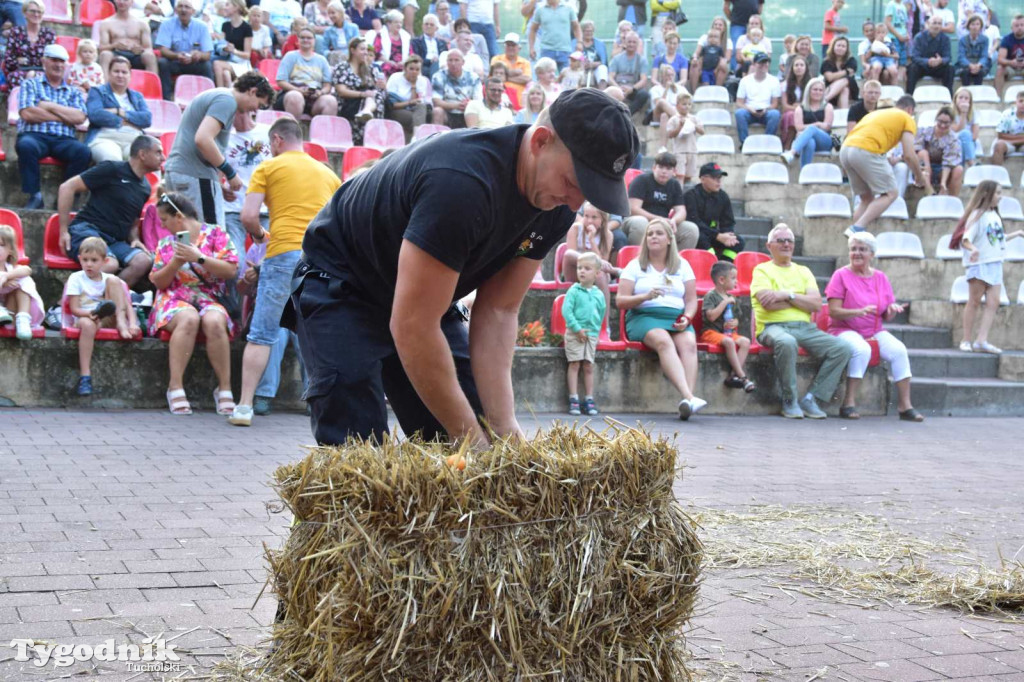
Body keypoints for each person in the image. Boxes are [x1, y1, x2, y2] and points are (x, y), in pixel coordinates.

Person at [286, 88, 639, 445]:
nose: (576, 202)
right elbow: (412, 326)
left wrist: (503, 429)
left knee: (480, 426)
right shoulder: (460, 182)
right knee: (358, 441)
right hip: (343, 282)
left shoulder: (555, 203)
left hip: (423, 296)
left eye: (589, 191)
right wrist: (468, 439)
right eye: (573, 182)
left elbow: (499, 311)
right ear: (541, 142)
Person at [229, 118, 341, 427]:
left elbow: (249, 216)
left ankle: (244, 407)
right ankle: (325, 408)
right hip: (320, 258)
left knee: (262, 334)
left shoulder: (268, 168)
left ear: (277, 140)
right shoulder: (328, 173)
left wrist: (262, 237)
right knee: (317, 334)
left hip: (283, 254)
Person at [148, 192, 239, 416]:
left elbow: (230, 270)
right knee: (188, 318)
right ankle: (175, 386)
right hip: (173, 297)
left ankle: (225, 388)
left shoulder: (216, 234)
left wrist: (199, 257)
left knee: (215, 321)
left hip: (208, 297)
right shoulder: (167, 244)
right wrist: (176, 262)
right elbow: (158, 281)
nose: (162, 225)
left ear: (178, 217)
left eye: (165, 220)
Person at [751, 224, 852, 419]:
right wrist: (799, 302)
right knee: (787, 342)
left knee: (842, 348)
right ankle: (789, 400)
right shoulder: (761, 270)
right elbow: (767, 304)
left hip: (805, 328)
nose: (786, 244)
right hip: (772, 327)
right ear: (769, 245)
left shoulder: (803, 271)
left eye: (789, 240)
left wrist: (785, 295)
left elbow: (815, 304)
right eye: (780, 240)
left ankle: (812, 398)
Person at [825, 231, 921, 421]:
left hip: (874, 330)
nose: (857, 253)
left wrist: (891, 310)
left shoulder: (881, 278)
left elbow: (885, 313)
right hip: (843, 329)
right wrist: (857, 312)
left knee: (899, 350)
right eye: (853, 249)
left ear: (872, 254)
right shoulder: (840, 275)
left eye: (862, 249)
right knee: (862, 349)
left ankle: (905, 406)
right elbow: (833, 311)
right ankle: (848, 403)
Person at [616, 219, 707, 420]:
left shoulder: (682, 265)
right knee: (664, 341)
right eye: (650, 234)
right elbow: (621, 301)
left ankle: (687, 402)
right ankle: (689, 396)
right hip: (644, 316)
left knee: (689, 344)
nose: (653, 237)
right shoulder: (635, 265)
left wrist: (687, 317)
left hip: (676, 318)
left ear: (669, 239)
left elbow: (691, 301)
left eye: (658, 233)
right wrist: (644, 297)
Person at [163, 72, 275, 228]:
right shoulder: (227, 100)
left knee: (187, 237)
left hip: (179, 173)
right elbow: (203, 139)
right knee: (212, 237)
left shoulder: (218, 95)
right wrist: (229, 173)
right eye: (259, 105)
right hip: (195, 174)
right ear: (253, 91)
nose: (255, 111)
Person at [58, 136, 163, 288]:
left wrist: (135, 238)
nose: (163, 157)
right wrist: (63, 230)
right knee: (110, 264)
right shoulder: (112, 169)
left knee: (143, 261)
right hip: (87, 230)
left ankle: (106, 303)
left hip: (114, 241)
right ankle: (65, 304)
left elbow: (133, 219)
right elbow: (67, 187)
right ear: (142, 154)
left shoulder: (146, 187)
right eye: (158, 152)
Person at [14, 44, 91, 211]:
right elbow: (27, 114)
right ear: (44, 61)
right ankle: (35, 196)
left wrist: (47, 106)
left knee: (83, 152)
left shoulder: (74, 91)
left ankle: (66, 199)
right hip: (34, 135)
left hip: (63, 139)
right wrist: (64, 116)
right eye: (54, 60)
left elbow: (79, 117)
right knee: (25, 145)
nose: (58, 65)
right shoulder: (30, 84)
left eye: (62, 61)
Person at [64, 236, 140, 395]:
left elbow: (126, 303)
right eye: (85, 260)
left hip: (110, 316)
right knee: (87, 324)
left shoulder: (109, 279)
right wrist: (91, 314)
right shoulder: (76, 278)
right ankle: (85, 376)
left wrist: (133, 323)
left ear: (104, 261)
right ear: (79, 259)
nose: (89, 264)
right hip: (86, 316)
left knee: (114, 281)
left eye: (94, 260)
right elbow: (74, 309)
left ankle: (121, 322)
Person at [955, 180, 1024, 355]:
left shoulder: (994, 215)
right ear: (987, 194)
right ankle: (966, 340)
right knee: (974, 302)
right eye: (998, 193)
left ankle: (981, 340)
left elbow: (996, 238)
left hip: (995, 263)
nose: (1000, 197)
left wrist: (1016, 234)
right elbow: (966, 239)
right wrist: (973, 249)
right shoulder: (977, 215)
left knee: (993, 303)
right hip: (979, 264)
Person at [841, 95, 925, 235]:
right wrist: (919, 176)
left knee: (866, 199)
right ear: (910, 109)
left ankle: (855, 236)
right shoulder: (906, 118)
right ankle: (857, 228)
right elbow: (909, 154)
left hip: (846, 150)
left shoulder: (876, 113)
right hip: (866, 150)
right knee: (891, 193)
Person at [221, 109, 271, 272]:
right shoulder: (224, 137)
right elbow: (214, 174)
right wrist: (221, 187)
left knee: (271, 259)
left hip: (265, 208)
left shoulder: (267, 132)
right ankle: (234, 298)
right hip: (234, 208)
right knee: (234, 260)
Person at [622, 152, 698, 249]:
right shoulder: (641, 180)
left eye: (668, 169)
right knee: (640, 223)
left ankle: (674, 261)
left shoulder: (674, 185)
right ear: (654, 167)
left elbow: (681, 210)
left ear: (674, 171)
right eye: (661, 167)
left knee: (691, 229)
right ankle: (638, 260)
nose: (664, 171)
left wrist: (674, 220)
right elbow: (633, 209)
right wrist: (658, 219)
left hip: (663, 223)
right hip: (637, 220)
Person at [85, 56, 153, 163]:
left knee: (147, 160)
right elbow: (95, 115)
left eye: (124, 72)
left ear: (130, 75)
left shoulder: (137, 96)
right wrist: (123, 121)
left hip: (133, 140)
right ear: (109, 73)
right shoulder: (97, 91)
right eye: (116, 71)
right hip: (106, 138)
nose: (120, 75)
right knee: (113, 161)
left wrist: (121, 112)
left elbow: (147, 119)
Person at [563, 252, 606, 417]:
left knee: (588, 366)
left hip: (591, 335)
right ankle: (573, 398)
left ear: (597, 273)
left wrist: (595, 333)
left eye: (587, 268)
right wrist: (577, 329)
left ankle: (589, 398)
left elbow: (600, 315)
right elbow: (567, 311)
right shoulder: (574, 291)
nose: (581, 271)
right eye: (580, 268)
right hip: (575, 333)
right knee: (574, 364)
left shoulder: (599, 295)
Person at [701, 261, 755, 392]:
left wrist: (735, 323)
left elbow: (736, 319)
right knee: (729, 342)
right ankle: (742, 377)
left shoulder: (732, 297)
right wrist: (724, 302)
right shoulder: (711, 296)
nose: (736, 282)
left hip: (728, 333)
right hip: (710, 332)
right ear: (721, 280)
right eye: (733, 278)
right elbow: (711, 316)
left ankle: (733, 376)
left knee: (745, 341)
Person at [560, 201, 618, 311]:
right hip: (575, 270)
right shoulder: (575, 228)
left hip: (594, 274)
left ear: (602, 221)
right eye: (586, 216)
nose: (589, 221)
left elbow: (602, 263)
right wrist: (591, 261)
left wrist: (591, 241)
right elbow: (571, 256)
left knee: (601, 275)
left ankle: (604, 323)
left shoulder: (608, 235)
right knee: (569, 254)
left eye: (594, 217)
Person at [155, 0, 214, 100]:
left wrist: (198, 55)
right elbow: (163, 50)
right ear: (175, 10)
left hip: (194, 62)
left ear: (193, 11)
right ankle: (166, 99)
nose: (183, 10)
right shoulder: (166, 24)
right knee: (162, 63)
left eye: (187, 7)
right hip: (175, 61)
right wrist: (176, 55)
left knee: (207, 65)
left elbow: (207, 54)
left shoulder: (202, 26)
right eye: (180, 6)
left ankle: (209, 99)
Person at [274, 27, 337, 119]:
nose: (305, 40)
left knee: (331, 101)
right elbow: (281, 81)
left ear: (314, 40)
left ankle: (323, 132)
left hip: (314, 96)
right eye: (302, 38)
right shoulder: (290, 56)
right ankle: (292, 131)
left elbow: (327, 85)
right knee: (295, 96)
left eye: (309, 38)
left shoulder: (322, 60)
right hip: (291, 92)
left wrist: (320, 92)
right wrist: (298, 90)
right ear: (298, 40)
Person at [684, 162, 743, 260]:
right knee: (701, 238)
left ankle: (724, 265)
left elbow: (728, 222)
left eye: (720, 178)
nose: (718, 181)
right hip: (700, 234)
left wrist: (728, 236)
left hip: (716, 234)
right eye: (714, 178)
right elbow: (694, 222)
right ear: (703, 179)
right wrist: (717, 235)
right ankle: (712, 262)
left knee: (738, 241)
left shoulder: (723, 196)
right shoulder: (691, 195)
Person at [0, 225, 45, 342]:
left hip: (9, 316)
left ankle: (23, 318)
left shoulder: (10, 269)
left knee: (24, 280)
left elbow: (27, 270)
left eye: (1, 245)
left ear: (10, 250)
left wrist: (5, 276)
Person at [781, 77, 835, 168]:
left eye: (820, 90)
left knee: (811, 129)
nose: (818, 92)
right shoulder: (800, 108)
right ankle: (804, 172)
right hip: (806, 140)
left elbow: (827, 127)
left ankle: (792, 152)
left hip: (825, 140)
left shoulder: (828, 106)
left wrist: (814, 126)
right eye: (815, 89)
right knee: (809, 141)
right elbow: (798, 127)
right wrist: (818, 124)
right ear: (809, 91)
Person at [1, 0, 53, 89]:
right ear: (24, 13)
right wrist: (35, 61)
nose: (36, 14)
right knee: (15, 79)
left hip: (41, 72)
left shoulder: (48, 34)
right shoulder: (15, 32)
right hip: (19, 73)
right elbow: (9, 61)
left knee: (40, 79)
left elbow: (51, 61)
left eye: (39, 12)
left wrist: (26, 64)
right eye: (32, 11)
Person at [98, 0, 158, 75]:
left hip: (136, 55)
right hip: (115, 53)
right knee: (105, 55)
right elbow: (101, 48)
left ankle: (152, 84)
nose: (122, 2)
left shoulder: (142, 24)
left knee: (149, 56)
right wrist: (115, 45)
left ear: (132, 2)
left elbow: (148, 48)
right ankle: (104, 85)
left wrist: (140, 49)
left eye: (126, 0)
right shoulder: (106, 23)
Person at [914, 105, 963, 196]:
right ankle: (929, 189)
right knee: (923, 153)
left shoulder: (953, 139)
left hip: (942, 169)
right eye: (940, 121)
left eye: (946, 122)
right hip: (923, 167)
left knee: (959, 169)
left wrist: (943, 183)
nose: (943, 125)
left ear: (951, 122)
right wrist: (927, 167)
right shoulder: (925, 132)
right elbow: (916, 150)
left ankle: (952, 198)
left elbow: (948, 163)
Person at [735, 52, 782, 145]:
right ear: (754, 64)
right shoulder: (745, 80)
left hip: (766, 111)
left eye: (766, 62)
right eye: (761, 63)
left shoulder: (774, 80)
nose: (764, 65)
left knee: (775, 114)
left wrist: (766, 109)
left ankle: (768, 142)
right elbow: (739, 102)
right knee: (739, 113)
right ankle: (744, 143)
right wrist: (749, 109)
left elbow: (775, 103)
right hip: (749, 111)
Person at [430, 48, 481, 128]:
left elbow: (478, 100)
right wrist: (456, 106)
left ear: (463, 62)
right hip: (447, 112)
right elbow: (436, 101)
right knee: (437, 111)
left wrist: (468, 104)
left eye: (456, 60)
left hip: (467, 111)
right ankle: (437, 138)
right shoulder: (438, 76)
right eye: (450, 60)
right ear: (446, 62)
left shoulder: (473, 77)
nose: (453, 63)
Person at [386, 54, 431, 140]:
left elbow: (418, 102)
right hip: (397, 109)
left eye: (417, 70)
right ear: (405, 68)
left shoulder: (422, 80)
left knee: (421, 108)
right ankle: (418, 137)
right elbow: (392, 104)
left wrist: (413, 85)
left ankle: (415, 136)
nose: (414, 72)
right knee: (414, 118)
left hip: (414, 110)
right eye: (411, 69)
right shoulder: (395, 78)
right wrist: (409, 103)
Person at [527, 0, 580, 73]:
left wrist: (579, 42)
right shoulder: (540, 9)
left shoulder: (569, 8)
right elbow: (533, 29)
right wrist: (531, 48)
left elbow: (576, 27)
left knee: (566, 78)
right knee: (544, 78)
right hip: (546, 50)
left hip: (565, 50)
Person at [662, 91, 703, 183]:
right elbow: (670, 135)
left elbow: (702, 131)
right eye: (684, 104)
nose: (687, 106)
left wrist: (694, 126)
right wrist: (680, 126)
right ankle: (679, 195)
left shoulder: (694, 118)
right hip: (680, 151)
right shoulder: (674, 119)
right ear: (677, 105)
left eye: (689, 104)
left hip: (692, 150)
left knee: (689, 176)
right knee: (680, 175)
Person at [608, 31, 650, 120]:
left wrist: (632, 89)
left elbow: (643, 79)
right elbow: (610, 77)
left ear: (637, 44)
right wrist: (618, 88)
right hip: (618, 87)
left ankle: (626, 115)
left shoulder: (642, 60)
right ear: (625, 43)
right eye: (629, 42)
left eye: (634, 42)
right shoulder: (616, 59)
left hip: (632, 88)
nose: (631, 44)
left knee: (644, 94)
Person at [908, 14, 954, 94]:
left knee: (950, 69)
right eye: (934, 23)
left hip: (938, 67)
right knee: (912, 68)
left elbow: (948, 57)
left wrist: (940, 60)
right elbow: (914, 57)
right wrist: (927, 61)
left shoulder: (945, 39)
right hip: (923, 67)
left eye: (939, 23)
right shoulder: (919, 37)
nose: (937, 26)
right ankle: (909, 95)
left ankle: (949, 96)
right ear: (928, 24)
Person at [212, 0, 252, 87]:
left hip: (241, 64)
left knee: (217, 64)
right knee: (225, 74)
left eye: (227, 5)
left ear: (236, 7)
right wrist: (224, 48)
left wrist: (234, 51)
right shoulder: (225, 25)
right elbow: (221, 46)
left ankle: (219, 93)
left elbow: (247, 55)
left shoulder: (247, 28)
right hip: (228, 61)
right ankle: (226, 97)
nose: (224, 7)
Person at [365, 9, 411, 78]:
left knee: (411, 69)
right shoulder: (381, 35)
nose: (399, 25)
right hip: (386, 63)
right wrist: (389, 62)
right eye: (396, 22)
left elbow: (411, 54)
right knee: (387, 68)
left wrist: (404, 62)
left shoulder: (406, 36)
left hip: (402, 64)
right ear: (389, 23)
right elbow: (376, 52)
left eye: (400, 23)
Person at [780, 55, 810, 148]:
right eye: (796, 65)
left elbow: (812, 105)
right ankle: (788, 144)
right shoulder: (785, 84)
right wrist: (798, 108)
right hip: (790, 113)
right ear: (792, 68)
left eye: (801, 65)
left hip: (807, 112)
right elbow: (785, 106)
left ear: (806, 68)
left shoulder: (811, 84)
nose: (799, 67)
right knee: (791, 115)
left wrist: (799, 107)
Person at [724, 0, 764, 70]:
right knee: (735, 48)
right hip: (737, 24)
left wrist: (755, 19)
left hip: (753, 23)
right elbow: (726, 7)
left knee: (757, 46)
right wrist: (733, 19)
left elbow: (760, 5)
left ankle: (757, 69)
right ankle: (735, 72)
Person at [821, 36, 858, 107]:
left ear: (846, 49)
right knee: (844, 89)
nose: (840, 48)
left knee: (845, 80)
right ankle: (844, 115)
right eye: (838, 45)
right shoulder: (826, 62)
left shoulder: (851, 60)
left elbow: (833, 76)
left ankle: (824, 100)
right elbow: (829, 78)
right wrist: (846, 72)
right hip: (830, 90)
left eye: (843, 46)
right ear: (833, 46)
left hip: (851, 91)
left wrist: (835, 75)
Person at [689, 27, 729, 91]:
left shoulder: (719, 49)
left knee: (713, 85)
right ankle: (704, 96)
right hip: (705, 70)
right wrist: (700, 69)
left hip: (714, 71)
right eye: (710, 37)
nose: (712, 39)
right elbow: (701, 59)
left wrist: (716, 69)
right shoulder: (705, 48)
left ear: (719, 39)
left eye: (715, 37)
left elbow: (721, 59)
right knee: (705, 83)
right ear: (707, 38)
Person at [957, 13, 991, 85]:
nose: (975, 27)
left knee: (980, 72)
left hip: (979, 65)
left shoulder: (985, 39)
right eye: (972, 24)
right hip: (966, 65)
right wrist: (970, 65)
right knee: (965, 73)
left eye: (977, 24)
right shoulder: (962, 40)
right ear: (968, 26)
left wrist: (978, 65)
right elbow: (961, 57)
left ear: (981, 26)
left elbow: (984, 56)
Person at [992, 89, 1024, 164]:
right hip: (1008, 143)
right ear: (1015, 102)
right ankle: (998, 174)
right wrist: (1021, 138)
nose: (1023, 104)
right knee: (999, 145)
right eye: (1021, 101)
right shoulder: (1007, 114)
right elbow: (1000, 135)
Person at [411, 13, 448, 78]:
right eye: (426, 24)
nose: (428, 26)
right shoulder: (416, 42)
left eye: (431, 25)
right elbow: (415, 58)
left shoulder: (442, 43)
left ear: (436, 28)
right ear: (422, 26)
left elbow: (446, 57)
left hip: (440, 66)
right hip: (423, 66)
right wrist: (430, 61)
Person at [995, 14, 1024, 95]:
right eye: (1016, 25)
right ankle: (998, 97)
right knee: (1000, 69)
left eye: (1022, 25)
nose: (1019, 27)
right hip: (1011, 68)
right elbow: (1000, 59)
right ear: (1012, 28)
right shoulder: (1006, 39)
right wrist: (1011, 62)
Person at [325, 2, 360, 67]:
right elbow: (324, 49)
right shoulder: (328, 31)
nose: (330, 16)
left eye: (333, 13)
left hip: (351, 56)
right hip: (336, 58)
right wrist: (331, 54)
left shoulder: (354, 28)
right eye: (329, 13)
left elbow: (357, 45)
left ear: (341, 13)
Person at [648, 64, 683, 129]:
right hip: (658, 113)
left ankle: (663, 139)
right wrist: (666, 89)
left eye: (672, 75)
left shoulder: (680, 88)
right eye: (668, 75)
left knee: (664, 116)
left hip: (674, 112)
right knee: (662, 102)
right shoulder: (655, 89)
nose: (670, 77)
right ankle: (681, 120)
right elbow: (658, 104)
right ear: (662, 76)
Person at [884, 0, 911, 82]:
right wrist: (899, 36)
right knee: (894, 62)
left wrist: (906, 34)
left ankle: (899, 85)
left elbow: (904, 24)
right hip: (894, 38)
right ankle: (893, 84)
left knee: (903, 63)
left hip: (902, 39)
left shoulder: (903, 5)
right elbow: (887, 23)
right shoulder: (891, 5)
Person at [951, 87, 979, 166]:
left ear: (970, 101)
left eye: (966, 98)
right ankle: (972, 163)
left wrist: (966, 141)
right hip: (953, 141)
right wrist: (963, 113)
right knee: (964, 133)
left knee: (964, 139)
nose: (963, 100)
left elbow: (975, 136)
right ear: (955, 99)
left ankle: (967, 165)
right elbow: (956, 130)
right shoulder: (950, 112)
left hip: (968, 142)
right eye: (960, 97)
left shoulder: (973, 113)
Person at [579, 20, 608, 88]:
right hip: (580, 67)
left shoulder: (600, 44)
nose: (589, 33)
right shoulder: (576, 43)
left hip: (596, 68)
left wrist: (595, 64)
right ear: (582, 31)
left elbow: (604, 62)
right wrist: (581, 64)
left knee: (603, 69)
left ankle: (602, 93)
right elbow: (572, 58)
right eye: (587, 31)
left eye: (591, 31)